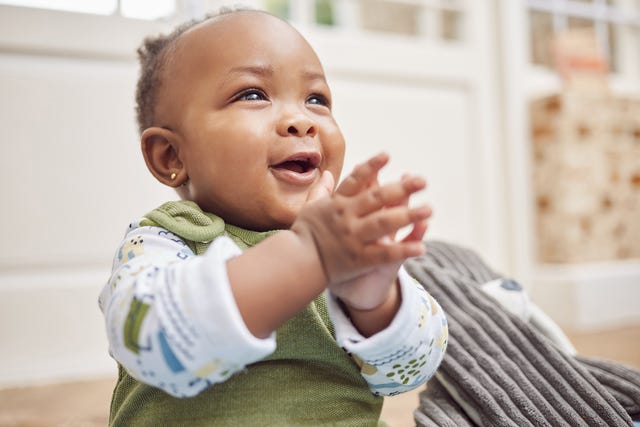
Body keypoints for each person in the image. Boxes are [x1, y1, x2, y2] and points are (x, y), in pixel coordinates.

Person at [99, 7, 448, 426]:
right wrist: (305, 255)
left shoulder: (344, 250)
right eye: (252, 94)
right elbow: (147, 339)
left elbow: (409, 370)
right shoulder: (166, 241)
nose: (301, 120)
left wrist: (375, 302)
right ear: (171, 155)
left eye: (316, 99)